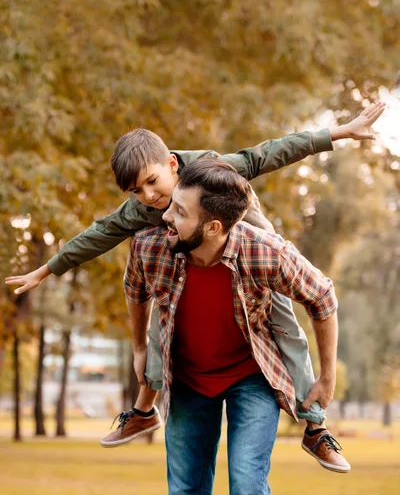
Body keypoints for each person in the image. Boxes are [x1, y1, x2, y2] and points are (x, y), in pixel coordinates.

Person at [5, 102, 384, 469]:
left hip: (256, 267)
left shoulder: (211, 169)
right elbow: (100, 232)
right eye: (137, 191)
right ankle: (143, 410)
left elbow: (271, 152)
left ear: (172, 164)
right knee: (162, 324)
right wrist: (47, 270)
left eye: (152, 182)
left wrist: (339, 133)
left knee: (287, 331)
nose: (149, 197)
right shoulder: (142, 209)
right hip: (192, 261)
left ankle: (316, 427)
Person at [123, 158, 344, 495]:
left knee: (247, 494)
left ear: (212, 227)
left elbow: (322, 297)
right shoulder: (150, 248)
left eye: (179, 212)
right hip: (189, 380)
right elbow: (134, 291)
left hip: (252, 379)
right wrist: (140, 345)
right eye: (172, 204)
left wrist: (327, 377)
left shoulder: (264, 251)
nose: (166, 218)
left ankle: (316, 431)